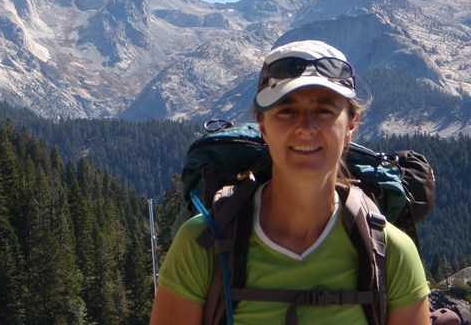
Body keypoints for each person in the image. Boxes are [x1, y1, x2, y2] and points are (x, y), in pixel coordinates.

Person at [150, 40, 431, 324]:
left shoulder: (392, 253)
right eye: (286, 111)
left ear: (351, 124)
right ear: (262, 126)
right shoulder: (202, 244)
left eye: (324, 111)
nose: (306, 128)